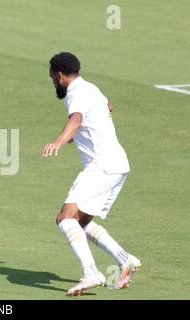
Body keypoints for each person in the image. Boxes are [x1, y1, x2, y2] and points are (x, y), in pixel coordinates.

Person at [42, 52, 141, 296]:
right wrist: (82, 133)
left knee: (65, 218)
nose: (52, 80)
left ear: (61, 75)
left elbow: (76, 119)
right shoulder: (91, 87)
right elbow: (108, 107)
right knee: (81, 221)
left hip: (101, 166)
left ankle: (91, 273)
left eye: (53, 77)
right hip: (118, 164)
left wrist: (59, 141)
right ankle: (125, 259)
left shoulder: (75, 93)